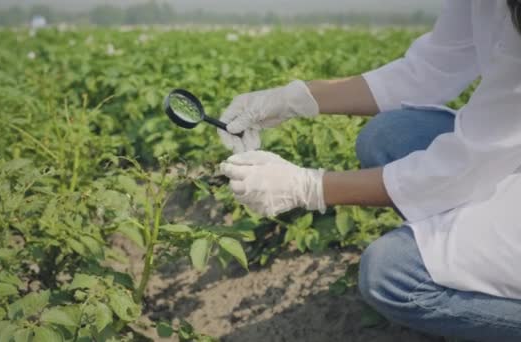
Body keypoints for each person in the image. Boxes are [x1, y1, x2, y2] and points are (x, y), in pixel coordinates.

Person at [218, 1, 521, 340]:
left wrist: (308, 187)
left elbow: (465, 166)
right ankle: (461, 240)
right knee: (389, 136)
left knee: (393, 273)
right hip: (502, 151)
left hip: (487, 157)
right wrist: (293, 98)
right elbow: (428, 70)